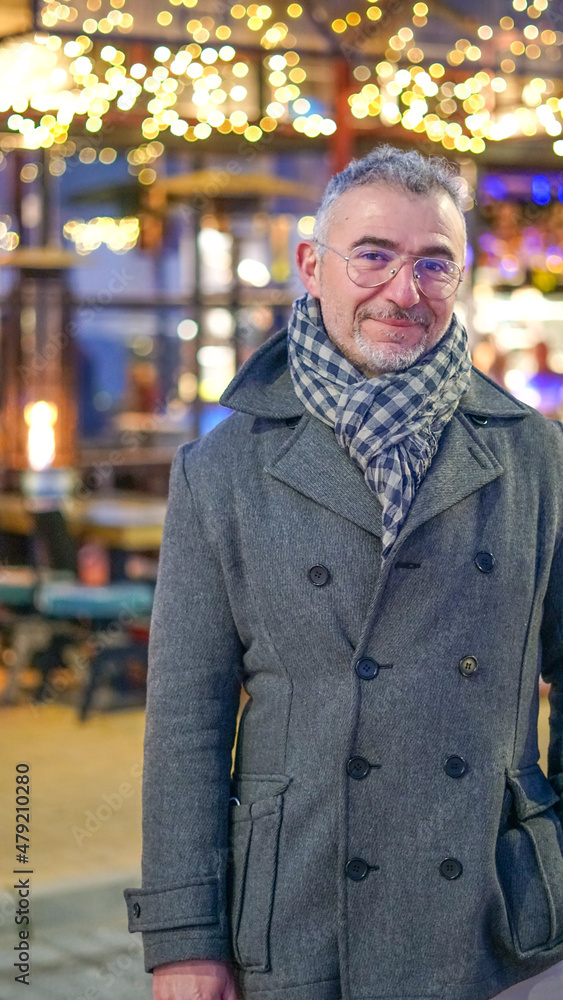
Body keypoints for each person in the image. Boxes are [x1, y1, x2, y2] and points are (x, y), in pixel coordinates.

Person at [124, 145, 563, 1000]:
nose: (404, 291)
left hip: (499, 912)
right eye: (374, 255)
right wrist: (183, 938)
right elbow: (186, 718)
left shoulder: (537, 457)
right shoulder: (223, 471)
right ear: (310, 265)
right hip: (300, 907)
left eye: (433, 263)